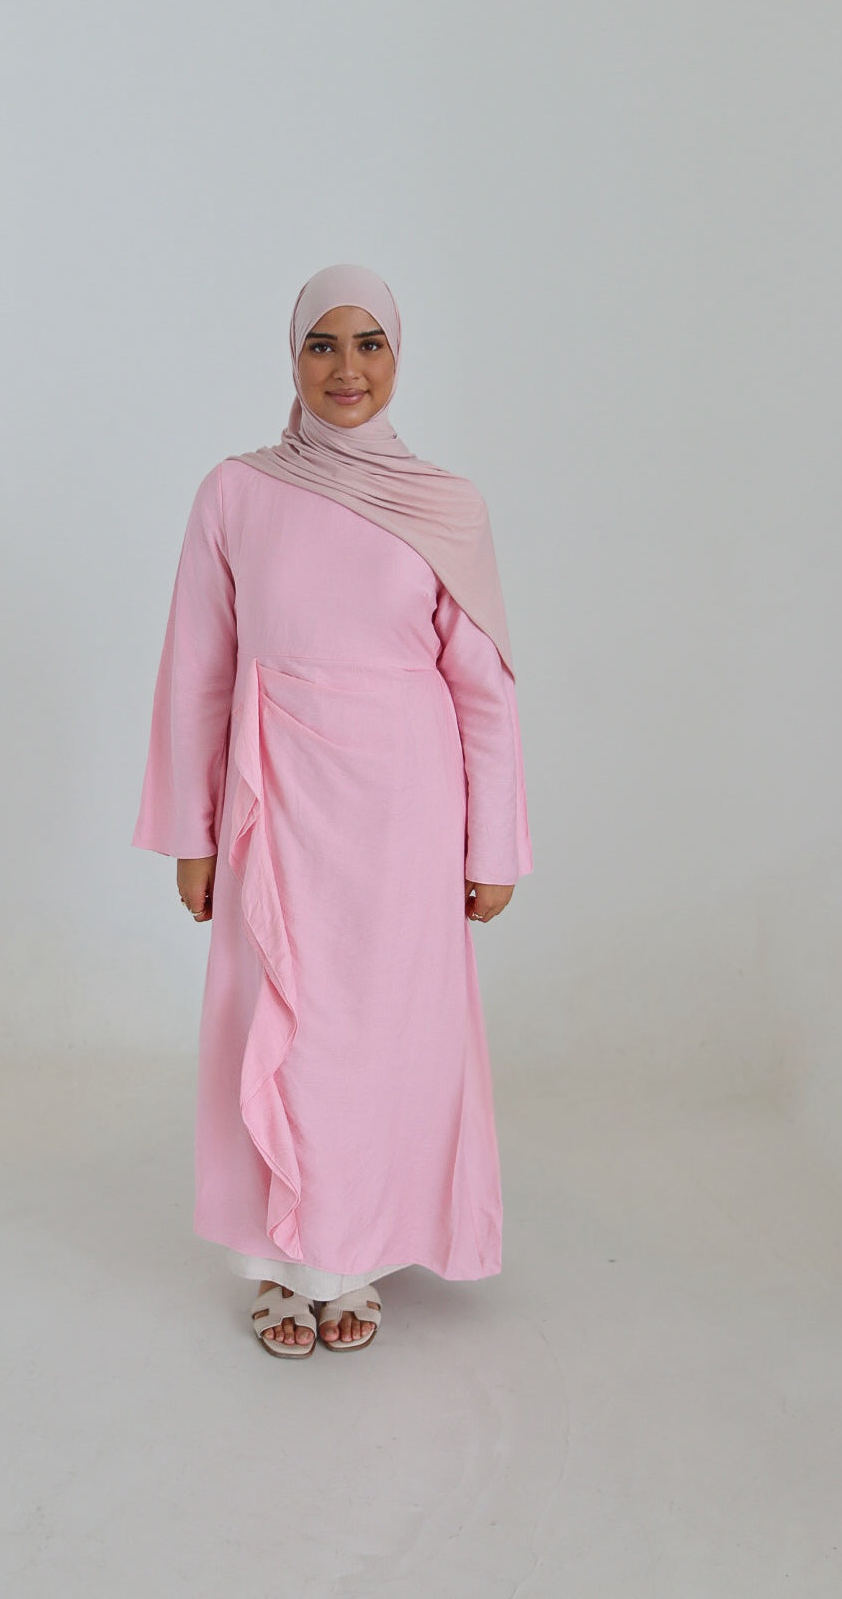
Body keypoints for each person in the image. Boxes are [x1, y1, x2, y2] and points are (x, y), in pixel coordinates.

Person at [132, 264, 533, 1358]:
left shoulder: (446, 505)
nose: (345, 369)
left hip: (405, 811)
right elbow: (198, 670)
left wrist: (493, 845)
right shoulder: (236, 492)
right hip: (275, 801)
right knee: (275, 1016)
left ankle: (350, 1259)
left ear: (398, 357)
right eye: (322, 344)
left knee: (379, 1032)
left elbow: (483, 689)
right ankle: (277, 1264)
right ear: (293, 357)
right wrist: (191, 833)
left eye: (368, 344)